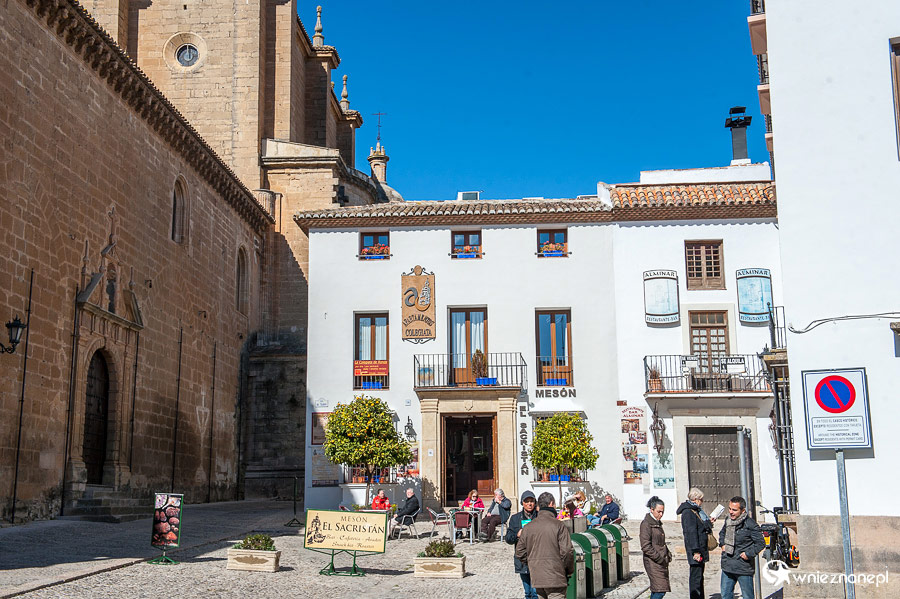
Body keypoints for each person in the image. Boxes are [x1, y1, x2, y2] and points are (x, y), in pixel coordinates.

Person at [514, 492, 574, 599]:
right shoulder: (558, 525)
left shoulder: (528, 527)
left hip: (538, 577)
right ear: (551, 504)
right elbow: (567, 551)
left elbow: (519, 552)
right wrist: (568, 570)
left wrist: (533, 562)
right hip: (556, 578)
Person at [718, 496, 765, 599]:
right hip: (728, 564)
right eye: (729, 508)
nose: (731, 512)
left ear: (742, 510)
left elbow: (760, 543)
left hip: (743, 567)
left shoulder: (750, 524)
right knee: (725, 595)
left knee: (747, 596)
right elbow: (722, 533)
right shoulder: (728, 520)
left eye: (734, 510)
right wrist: (722, 544)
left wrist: (748, 554)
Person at [677, 488, 715, 599]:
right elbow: (691, 533)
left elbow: (699, 527)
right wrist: (695, 551)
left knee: (699, 577)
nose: (702, 501)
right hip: (696, 550)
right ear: (695, 499)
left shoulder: (696, 510)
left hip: (700, 548)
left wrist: (708, 522)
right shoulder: (688, 512)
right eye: (701, 499)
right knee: (695, 578)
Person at [505, 491, 539, 599]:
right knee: (527, 592)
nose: (529, 504)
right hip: (522, 559)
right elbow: (508, 539)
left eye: (532, 501)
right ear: (522, 503)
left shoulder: (540, 517)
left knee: (535, 593)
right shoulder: (515, 519)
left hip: (537, 558)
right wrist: (517, 534)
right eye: (527, 501)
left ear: (535, 503)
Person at [639, 496, 672, 599]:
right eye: (658, 512)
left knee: (657, 589)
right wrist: (659, 558)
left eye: (662, 512)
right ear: (652, 510)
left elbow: (661, 542)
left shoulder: (657, 523)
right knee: (660, 590)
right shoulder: (646, 524)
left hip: (661, 561)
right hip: (653, 561)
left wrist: (668, 554)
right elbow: (645, 546)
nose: (661, 514)